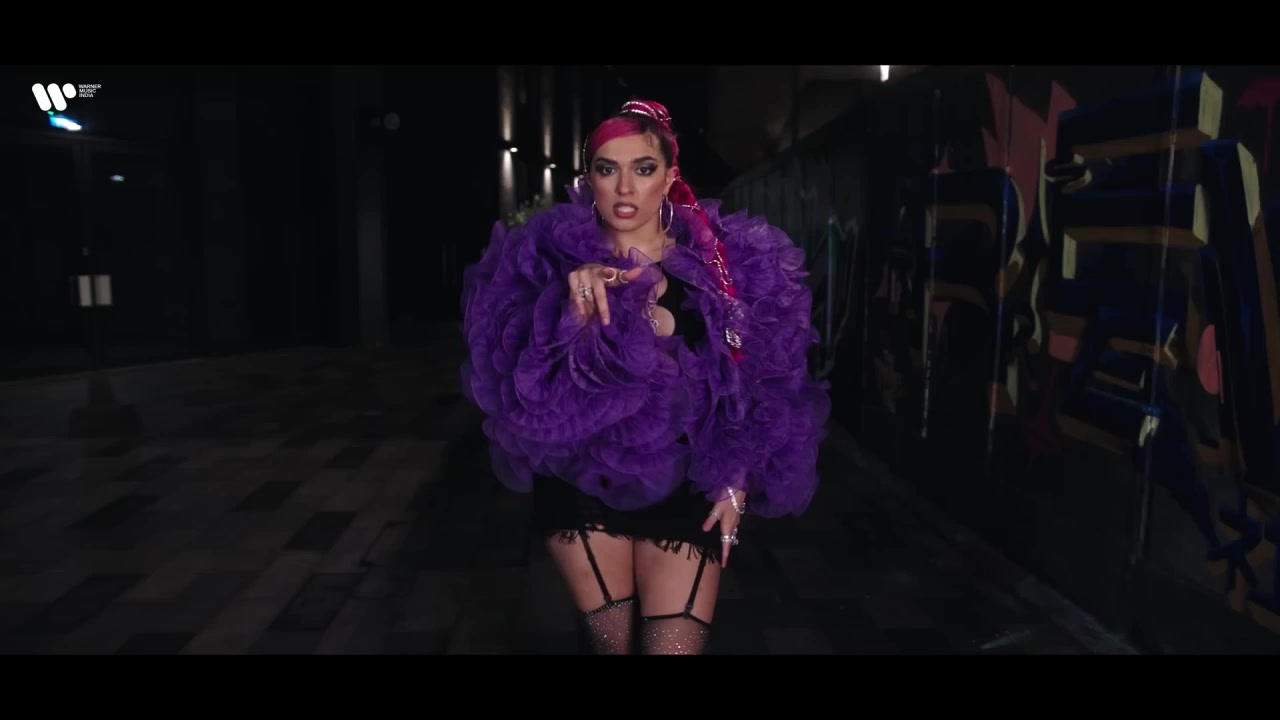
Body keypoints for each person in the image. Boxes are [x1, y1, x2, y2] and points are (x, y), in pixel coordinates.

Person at [461, 99, 830, 654]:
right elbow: (522, 394)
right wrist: (570, 314)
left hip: (688, 484)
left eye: (643, 167)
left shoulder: (723, 268)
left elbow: (759, 382)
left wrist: (736, 478)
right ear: (589, 180)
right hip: (584, 484)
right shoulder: (550, 266)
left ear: (671, 177)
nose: (625, 187)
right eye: (607, 169)